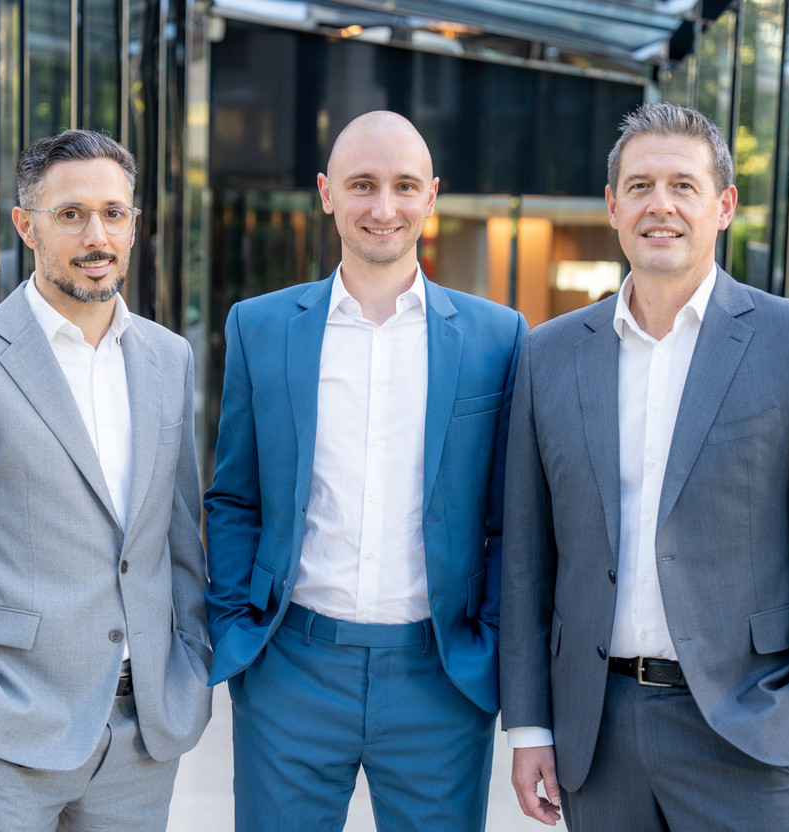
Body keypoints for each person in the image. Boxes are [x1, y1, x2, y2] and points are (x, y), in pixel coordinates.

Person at [500, 102, 789, 830]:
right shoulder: (548, 354)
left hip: (748, 730)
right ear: (613, 208)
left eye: (683, 184)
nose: (661, 205)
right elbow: (526, 556)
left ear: (724, 206)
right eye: (640, 186)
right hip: (596, 730)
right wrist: (531, 726)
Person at [204, 110, 526, 832]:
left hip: (439, 678)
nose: (385, 208)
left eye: (405, 186)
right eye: (362, 185)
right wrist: (236, 628)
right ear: (326, 193)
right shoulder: (259, 327)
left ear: (432, 196)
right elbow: (234, 496)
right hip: (290, 669)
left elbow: (511, 520)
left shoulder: (495, 338)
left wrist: (491, 644)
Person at [0, 129, 211, 832]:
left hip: (141, 737)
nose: (97, 235)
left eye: (114, 213)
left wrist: (188, 669)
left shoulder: (168, 358)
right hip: (7, 732)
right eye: (71, 214)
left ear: (132, 224)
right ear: (26, 226)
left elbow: (179, 537)